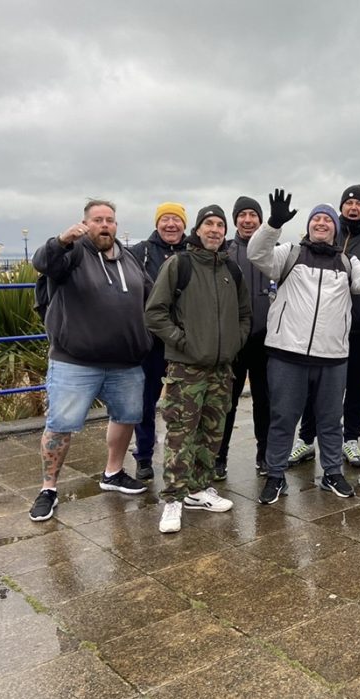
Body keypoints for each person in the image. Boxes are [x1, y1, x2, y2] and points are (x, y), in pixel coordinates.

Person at [248, 191, 360, 505]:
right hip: (288, 353)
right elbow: (257, 255)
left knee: (330, 420)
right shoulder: (289, 253)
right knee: (283, 418)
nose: (321, 223)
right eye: (316, 218)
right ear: (308, 225)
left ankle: (331, 473)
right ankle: (275, 476)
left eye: (327, 220)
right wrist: (273, 224)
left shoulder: (345, 261)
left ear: (335, 230)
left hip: (332, 357)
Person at [29, 200, 152, 522]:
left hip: (125, 361)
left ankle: (112, 473)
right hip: (75, 361)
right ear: (85, 223)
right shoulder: (71, 254)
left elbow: (151, 297)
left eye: (110, 220)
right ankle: (48, 489)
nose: (105, 225)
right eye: (98, 219)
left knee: (126, 417)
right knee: (60, 425)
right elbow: (42, 263)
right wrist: (62, 240)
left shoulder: (129, 258)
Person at [145, 204, 251, 533]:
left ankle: (199, 489)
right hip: (186, 368)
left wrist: (235, 341)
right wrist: (182, 341)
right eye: (209, 224)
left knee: (212, 432)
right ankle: (173, 499)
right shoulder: (180, 265)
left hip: (222, 368)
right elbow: (155, 312)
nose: (215, 229)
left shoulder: (231, 270)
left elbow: (245, 314)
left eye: (220, 225)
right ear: (199, 229)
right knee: (180, 434)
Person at [289, 185, 360, 469]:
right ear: (341, 208)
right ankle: (306, 439)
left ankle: (351, 438)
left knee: (358, 385)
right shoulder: (332, 231)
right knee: (315, 387)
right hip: (328, 328)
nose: (353, 207)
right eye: (349, 203)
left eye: (359, 203)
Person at [129, 202, 189, 480]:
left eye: (176, 220)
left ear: (185, 225)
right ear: (157, 223)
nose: (171, 225)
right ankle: (143, 456)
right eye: (165, 219)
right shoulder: (139, 252)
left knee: (185, 403)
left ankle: (182, 456)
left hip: (184, 340)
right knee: (146, 400)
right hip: (150, 340)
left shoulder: (193, 252)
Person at [215, 196, 271, 480]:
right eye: (243, 215)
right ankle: (218, 456)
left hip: (265, 341)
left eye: (253, 215)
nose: (248, 220)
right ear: (235, 220)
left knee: (265, 402)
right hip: (234, 343)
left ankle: (265, 455)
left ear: (260, 220)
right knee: (227, 402)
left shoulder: (273, 250)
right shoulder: (224, 252)